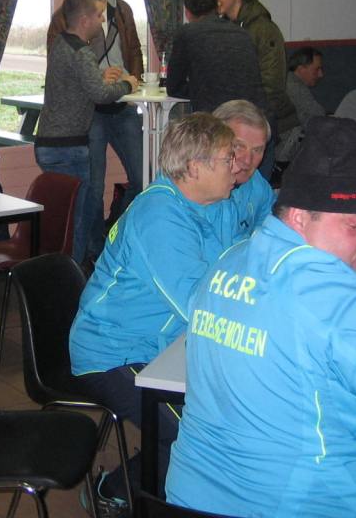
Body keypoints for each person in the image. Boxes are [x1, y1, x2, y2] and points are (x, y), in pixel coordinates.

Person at [166, 116, 356, 517]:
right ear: (299, 217)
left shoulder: (228, 262)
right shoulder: (346, 300)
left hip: (189, 500)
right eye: (353, 225)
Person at [69, 113, 244, 512]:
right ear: (195, 167)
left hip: (165, 343)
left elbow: (238, 266)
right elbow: (198, 304)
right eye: (228, 158)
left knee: (225, 417)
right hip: (114, 352)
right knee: (199, 438)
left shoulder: (214, 205)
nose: (237, 166)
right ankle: (114, 492)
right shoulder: (159, 216)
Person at [47, 0, 145, 261]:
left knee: (143, 178)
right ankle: (95, 251)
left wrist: (132, 80)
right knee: (92, 187)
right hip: (90, 110)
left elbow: (135, 50)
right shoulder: (64, 17)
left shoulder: (120, 8)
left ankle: (113, 234)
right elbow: (62, 62)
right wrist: (100, 78)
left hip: (124, 105)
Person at [209, 0, 297, 179]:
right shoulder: (223, 28)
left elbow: (272, 83)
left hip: (258, 121)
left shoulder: (263, 29)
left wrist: (250, 119)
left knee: (255, 187)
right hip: (232, 122)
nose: (214, 0)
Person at [166, 0, 266, 115]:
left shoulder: (186, 34)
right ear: (217, 6)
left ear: (187, 12)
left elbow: (174, 87)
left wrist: (200, 89)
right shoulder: (242, 33)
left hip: (215, 118)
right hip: (253, 114)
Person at [211, 99, 275, 239]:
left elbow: (273, 236)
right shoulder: (196, 191)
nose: (247, 160)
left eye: (257, 150)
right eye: (238, 146)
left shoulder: (258, 186)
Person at [278, 46, 325, 162]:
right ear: (301, 69)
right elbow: (320, 119)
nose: (321, 75)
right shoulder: (295, 87)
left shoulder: (286, 81)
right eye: (317, 69)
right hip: (284, 155)